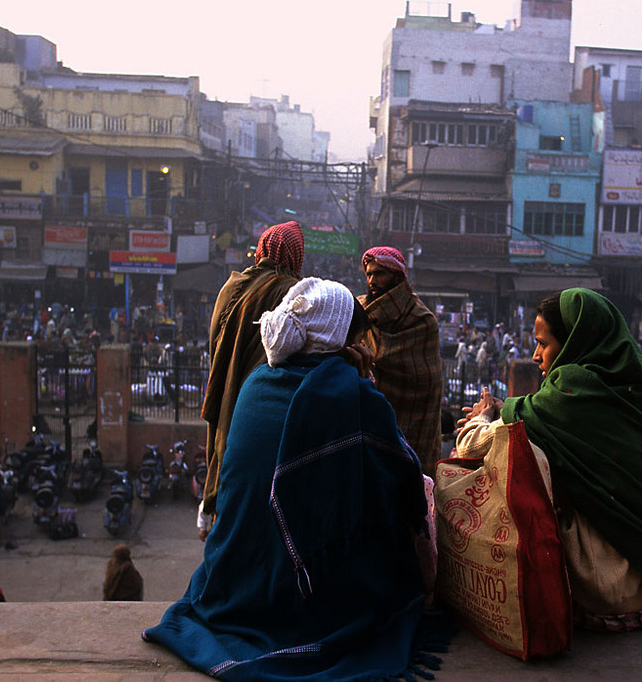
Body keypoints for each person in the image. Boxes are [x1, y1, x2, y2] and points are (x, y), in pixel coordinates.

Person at [144, 278, 438, 680]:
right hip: (306, 598)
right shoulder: (357, 400)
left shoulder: (255, 384)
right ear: (341, 343)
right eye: (360, 340)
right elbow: (405, 481)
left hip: (233, 580)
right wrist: (365, 386)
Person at [453, 288, 642, 629]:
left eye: (543, 344)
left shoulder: (571, 391)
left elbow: (472, 445)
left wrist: (483, 416)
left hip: (603, 587)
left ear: (574, 342)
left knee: (517, 452)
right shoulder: (639, 388)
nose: (535, 356)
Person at [199, 220, 304, 539]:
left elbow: (215, 341)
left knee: (224, 454)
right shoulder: (292, 292)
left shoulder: (231, 286)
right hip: (266, 402)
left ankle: (215, 517)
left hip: (225, 388)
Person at [358, 246, 443, 476]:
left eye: (379, 273)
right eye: (369, 274)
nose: (373, 279)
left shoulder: (422, 321)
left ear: (397, 277)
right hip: (367, 425)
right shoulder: (360, 311)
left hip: (411, 429)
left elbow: (429, 385)